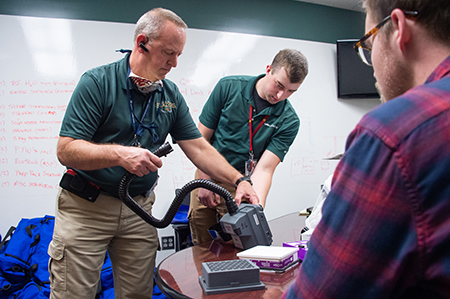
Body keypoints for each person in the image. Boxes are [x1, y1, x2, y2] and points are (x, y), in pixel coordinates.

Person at [48, 7, 259, 299]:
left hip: (138, 209)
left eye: (178, 56)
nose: (173, 63)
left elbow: (198, 147)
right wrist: (119, 155)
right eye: (168, 53)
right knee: (74, 293)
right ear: (142, 42)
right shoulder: (98, 83)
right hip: (87, 207)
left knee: (138, 293)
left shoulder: (170, 95)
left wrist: (239, 180)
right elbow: (66, 149)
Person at [283, 0, 450, 298]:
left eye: (369, 46)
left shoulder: (395, 134)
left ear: (398, 29)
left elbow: (319, 292)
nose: (372, 65)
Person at [188, 49, 309, 245]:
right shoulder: (228, 87)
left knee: (237, 247)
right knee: (202, 245)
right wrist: (204, 181)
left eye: (291, 91)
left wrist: (255, 209)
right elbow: (200, 141)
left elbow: (265, 169)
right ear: (268, 69)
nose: (281, 95)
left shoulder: (289, 120)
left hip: (242, 185)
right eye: (279, 85)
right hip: (207, 172)